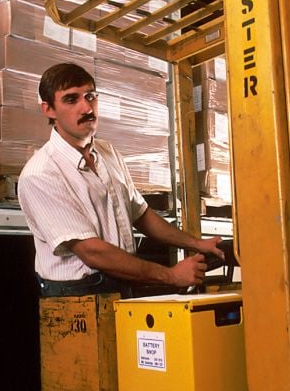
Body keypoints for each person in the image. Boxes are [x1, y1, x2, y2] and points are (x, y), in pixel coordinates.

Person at [18, 62, 223, 297]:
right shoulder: (41, 174)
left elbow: (141, 213)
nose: (86, 107)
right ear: (49, 110)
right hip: (77, 295)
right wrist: (172, 275)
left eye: (90, 96)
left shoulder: (108, 153)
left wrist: (197, 244)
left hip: (122, 280)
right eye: (71, 99)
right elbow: (91, 252)